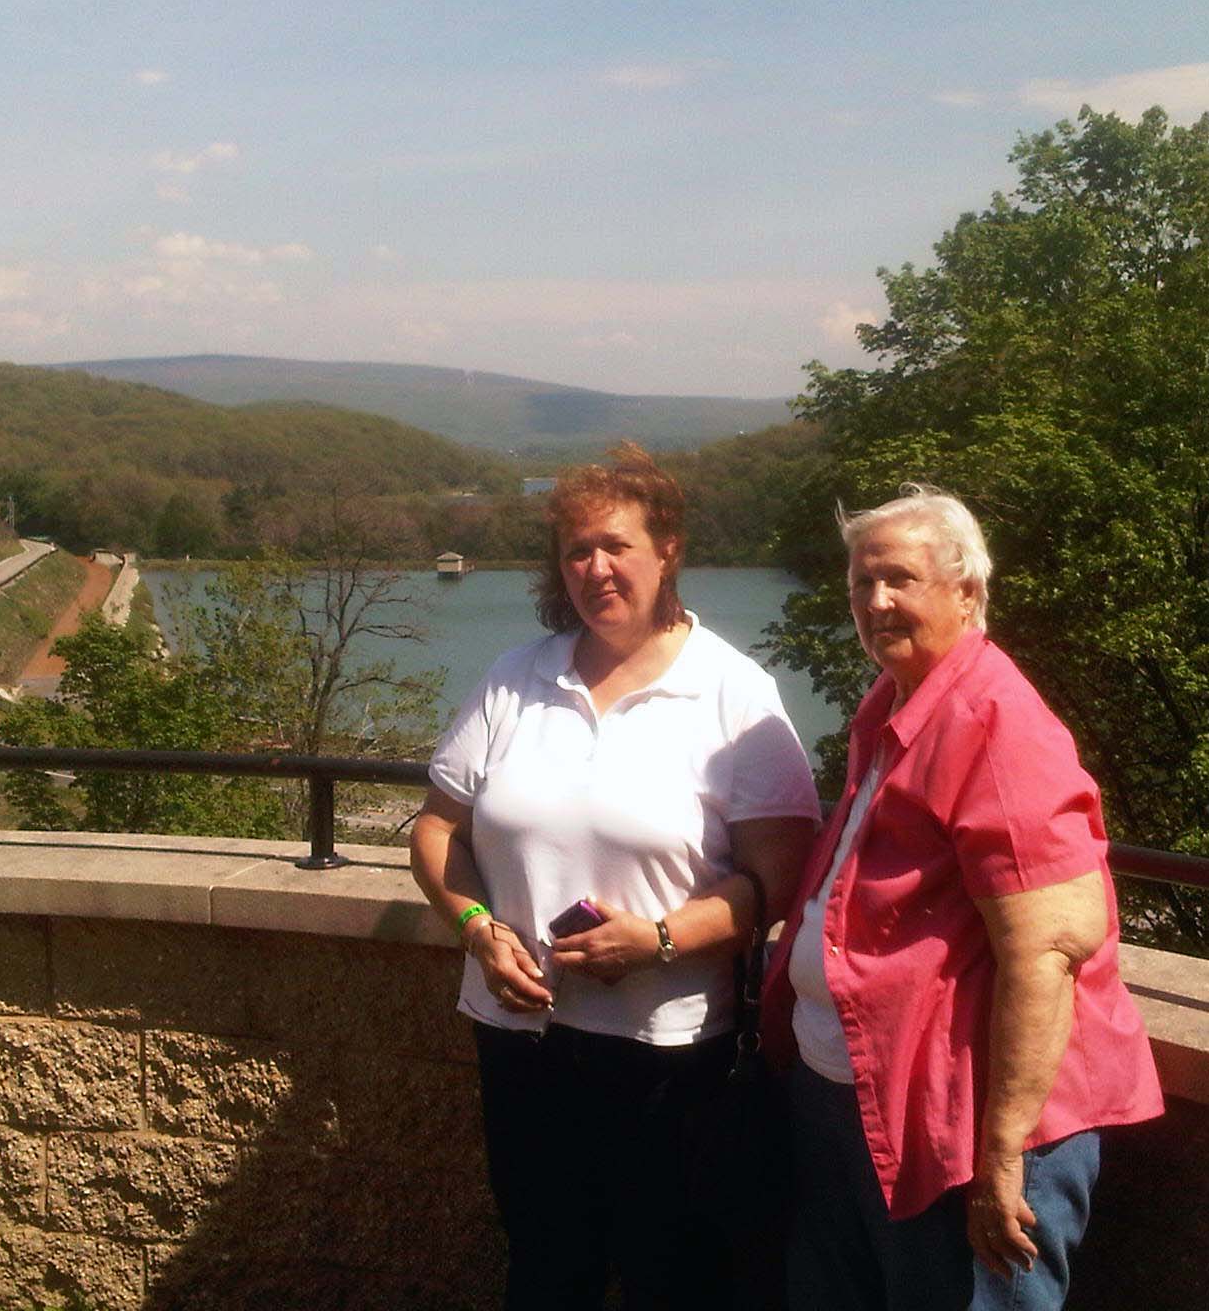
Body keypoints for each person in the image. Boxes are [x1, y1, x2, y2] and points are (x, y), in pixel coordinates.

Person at [409, 442, 819, 1311]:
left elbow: (778, 880)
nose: (595, 568)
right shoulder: (517, 676)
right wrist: (476, 928)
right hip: (521, 1037)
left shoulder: (733, 694)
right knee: (544, 1267)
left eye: (616, 546)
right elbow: (439, 828)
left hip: (670, 1052)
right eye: (577, 551)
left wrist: (660, 938)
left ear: (667, 550)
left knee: (674, 1278)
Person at [761, 485, 1163, 1311]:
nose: (876, 601)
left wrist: (1004, 1154)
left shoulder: (995, 721)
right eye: (862, 582)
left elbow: (1050, 950)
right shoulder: (898, 702)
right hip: (865, 1100)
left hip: (970, 1124)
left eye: (901, 579)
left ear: (968, 591)